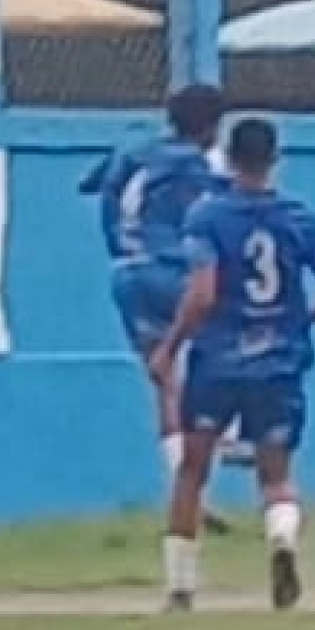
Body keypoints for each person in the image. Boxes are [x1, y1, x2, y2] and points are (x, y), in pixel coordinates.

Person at [150, 117, 315, 612]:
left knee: (194, 470)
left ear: (230, 158)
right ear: (275, 159)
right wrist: (295, 320)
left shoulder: (207, 217)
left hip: (218, 359)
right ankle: (281, 542)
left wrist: (170, 345)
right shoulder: (300, 219)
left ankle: (181, 588)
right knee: (277, 474)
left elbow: (202, 294)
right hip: (279, 362)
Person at [82, 83, 234, 532]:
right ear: (209, 127)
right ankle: (226, 451)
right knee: (231, 353)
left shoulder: (135, 152)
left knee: (164, 378)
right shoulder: (194, 163)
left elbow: (91, 182)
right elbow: (235, 191)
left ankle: (182, 485)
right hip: (175, 272)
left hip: (127, 272)